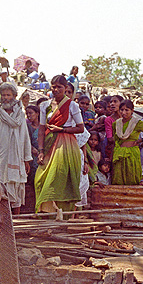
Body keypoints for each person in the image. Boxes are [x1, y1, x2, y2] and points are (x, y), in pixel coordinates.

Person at [34, 75, 85, 212]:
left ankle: (63, 213)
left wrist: (62, 129)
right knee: (41, 178)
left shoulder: (72, 105)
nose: (56, 89)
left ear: (66, 88)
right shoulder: (45, 105)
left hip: (65, 145)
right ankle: (47, 212)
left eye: (59, 87)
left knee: (60, 176)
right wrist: (40, 151)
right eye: (54, 86)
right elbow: (41, 129)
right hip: (49, 142)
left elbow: (81, 128)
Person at [0, 82, 32, 214]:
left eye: (8, 95)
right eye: (3, 95)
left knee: (16, 189)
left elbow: (25, 137)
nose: (5, 97)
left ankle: (16, 221)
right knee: (1, 188)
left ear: (14, 96)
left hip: (17, 158)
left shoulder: (20, 115)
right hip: (0, 158)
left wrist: (26, 158)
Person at [111, 98, 143, 185]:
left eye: (126, 110)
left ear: (132, 110)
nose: (124, 112)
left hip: (132, 153)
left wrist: (140, 140)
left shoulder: (137, 123)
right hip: (119, 153)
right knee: (118, 178)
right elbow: (115, 140)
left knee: (131, 177)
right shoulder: (116, 123)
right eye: (122, 110)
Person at [24, 104, 41, 213]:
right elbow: (25, 141)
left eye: (31, 113)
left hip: (42, 156)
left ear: (37, 114)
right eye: (27, 113)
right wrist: (32, 149)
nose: (29, 116)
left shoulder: (43, 127)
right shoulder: (27, 127)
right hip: (32, 157)